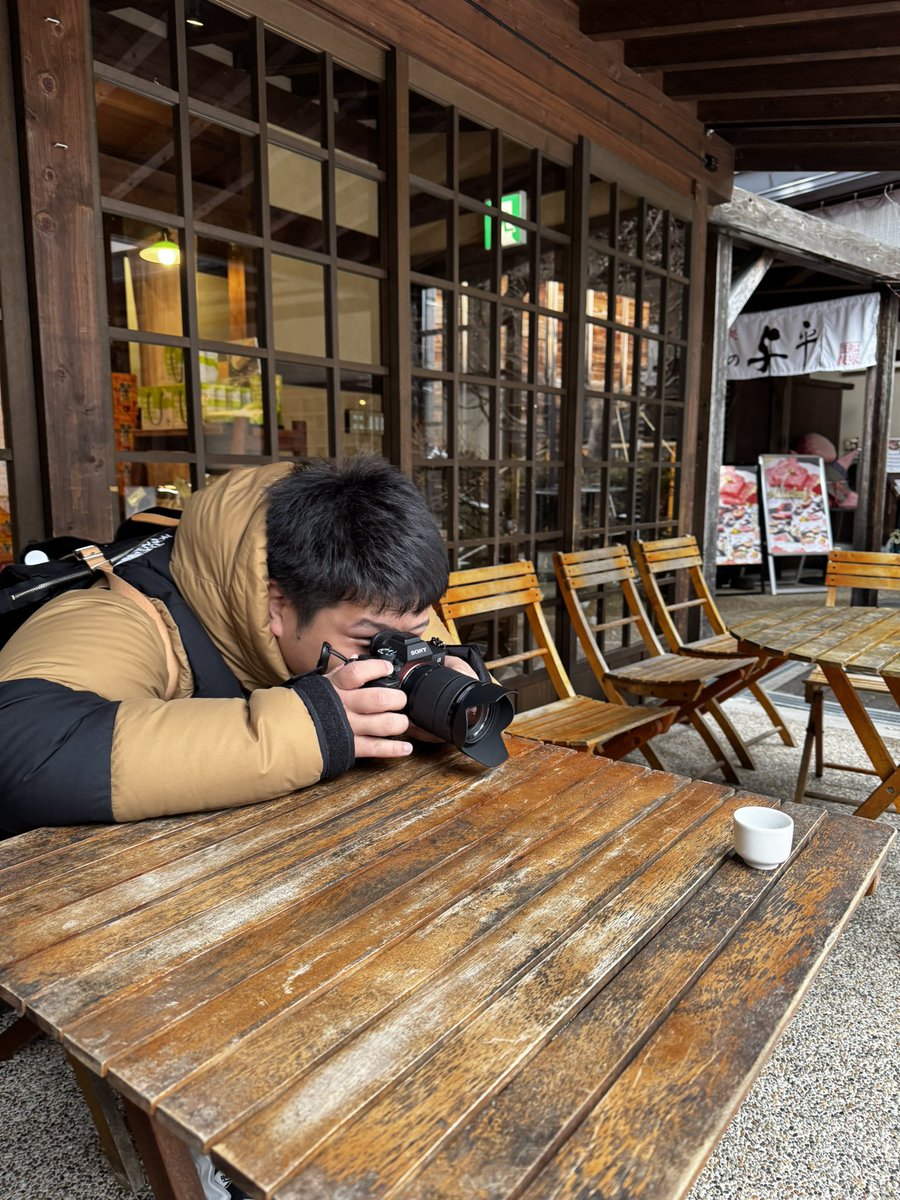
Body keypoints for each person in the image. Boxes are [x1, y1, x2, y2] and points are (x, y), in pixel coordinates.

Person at [0, 457, 483, 835]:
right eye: (370, 642)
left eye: (412, 635)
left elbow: (452, 673)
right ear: (277, 604)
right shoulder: (120, 613)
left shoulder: (375, 599)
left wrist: (446, 704)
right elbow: (21, 752)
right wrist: (311, 726)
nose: (391, 657)